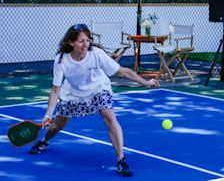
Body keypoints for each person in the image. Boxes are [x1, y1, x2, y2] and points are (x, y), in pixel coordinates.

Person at [28, 24, 160, 177]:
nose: (86, 44)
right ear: (71, 43)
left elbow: (122, 71)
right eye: (81, 41)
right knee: (58, 125)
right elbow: (55, 89)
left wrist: (145, 82)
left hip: (98, 88)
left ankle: (121, 159)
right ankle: (44, 141)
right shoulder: (61, 60)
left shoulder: (96, 54)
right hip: (73, 93)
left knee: (109, 117)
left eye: (87, 40)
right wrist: (48, 114)